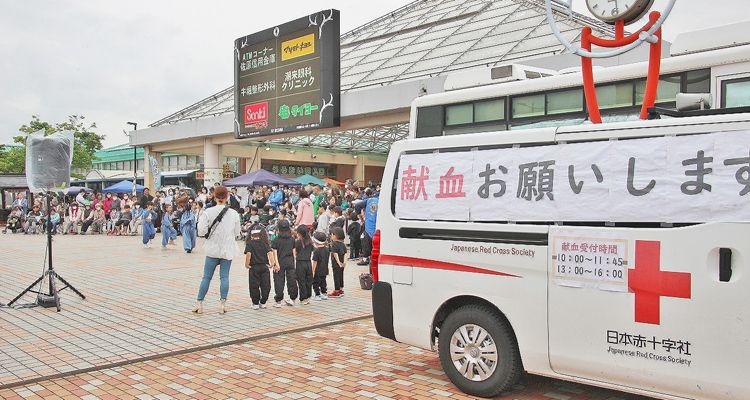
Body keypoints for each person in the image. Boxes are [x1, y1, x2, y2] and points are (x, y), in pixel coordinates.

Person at [193, 186, 241, 315]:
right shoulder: (234, 213)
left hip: (213, 247)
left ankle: (199, 303)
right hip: (227, 248)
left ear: (214, 196)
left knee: (207, 277)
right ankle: (222, 304)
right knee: (224, 277)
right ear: (227, 197)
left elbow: (202, 231)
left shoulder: (208, 212)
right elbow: (237, 232)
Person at [244, 223, 274, 309]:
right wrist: (272, 263)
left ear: (252, 234)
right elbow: (270, 253)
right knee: (265, 285)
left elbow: (248, 254)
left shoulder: (250, 244)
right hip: (264, 266)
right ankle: (263, 301)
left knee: (254, 285)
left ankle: (255, 303)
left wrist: (247, 264)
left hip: (254, 267)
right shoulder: (265, 243)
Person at [271, 219, 298, 308]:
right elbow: (294, 253)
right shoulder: (292, 239)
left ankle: (278, 300)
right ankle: (292, 298)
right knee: (291, 280)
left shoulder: (276, 240)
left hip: (280, 262)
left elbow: (275, 253)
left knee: (279, 281)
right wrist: (292, 261)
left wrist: (276, 264)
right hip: (290, 262)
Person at [294, 225, 314, 305]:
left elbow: (295, 252)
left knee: (301, 281)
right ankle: (308, 296)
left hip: (300, 262)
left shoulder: (298, 242)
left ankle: (303, 298)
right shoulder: (310, 241)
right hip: (308, 262)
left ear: (299, 233)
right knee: (308, 280)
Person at [311, 231, 330, 301]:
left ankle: (317, 294)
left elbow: (315, 262)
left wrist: (313, 271)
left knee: (315, 282)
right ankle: (324, 293)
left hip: (317, 270)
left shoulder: (316, 251)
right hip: (325, 269)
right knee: (323, 281)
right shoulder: (327, 249)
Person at [329, 227, 347, 298]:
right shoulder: (342, 244)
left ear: (335, 236)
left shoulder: (334, 244)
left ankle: (336, 291)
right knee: (341, 276)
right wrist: (344, 262)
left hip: (336, 264)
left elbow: (335, 254)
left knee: (336, 276)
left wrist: (338, 262)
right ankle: (341, 289)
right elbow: (345, 253)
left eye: (332, 235)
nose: (331, 236)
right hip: (342, 263)